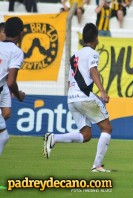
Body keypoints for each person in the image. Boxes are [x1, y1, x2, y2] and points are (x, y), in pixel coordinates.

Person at [43, 23, 113, 173]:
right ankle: (97, 165)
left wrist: (91, 95)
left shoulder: (74, 56)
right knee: (106, 128)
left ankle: (53, 138)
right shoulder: (93, 53)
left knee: (86, 135)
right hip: (83, 98)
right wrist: (102, 91)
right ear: (96, 38)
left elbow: (71, 81)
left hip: (72, 99)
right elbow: (93, 71)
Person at [0, 17, 26, 155]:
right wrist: (19, 95)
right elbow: (11, 82)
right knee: (3, 137)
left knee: (6, 113)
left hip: (1, 87)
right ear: (20, 33)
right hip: (2, 86)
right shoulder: (16, 52)